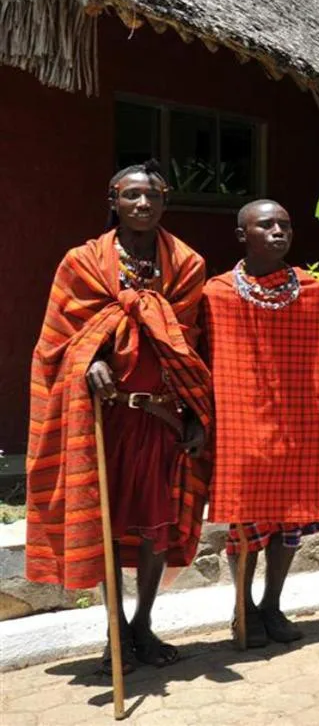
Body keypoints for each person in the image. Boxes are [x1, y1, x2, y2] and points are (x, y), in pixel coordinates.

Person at [27, 161, 211, 673]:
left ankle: (142, 625)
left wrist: (195, 416)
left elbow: (188, 346)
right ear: (113, 201)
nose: (143, 204)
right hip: (102, 419)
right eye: (131, 195)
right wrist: (89, 361)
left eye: (153, 195)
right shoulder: (82, 263)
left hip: (160, 417)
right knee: (106, 523)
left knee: (155, 528)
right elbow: (57, 343)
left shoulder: (187, 265)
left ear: (166, 201)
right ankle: (115, 631)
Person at [204, 201, 319, 645]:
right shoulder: (217, 294)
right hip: (242, 424)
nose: (278, 231)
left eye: (284, 225)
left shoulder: (307, 290)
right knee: (247, 521)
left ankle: (272, 605)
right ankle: (243, 608)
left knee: (290, 521)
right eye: (265, 225)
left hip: (298, 422)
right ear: (242, 235)